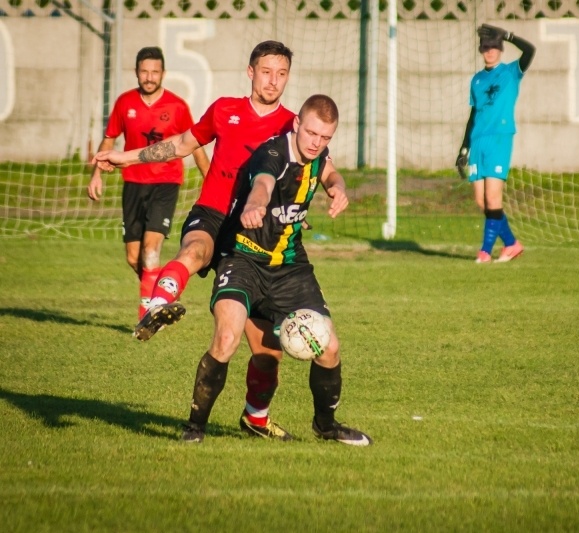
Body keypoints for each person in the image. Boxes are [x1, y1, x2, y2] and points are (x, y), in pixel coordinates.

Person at [180, 94, 372, 447]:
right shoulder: (272, 154)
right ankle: (194, 428)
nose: (316, 143)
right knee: (226, 339)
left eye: (325, 137)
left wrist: (338, 189)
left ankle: (325, 426)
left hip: (290, 268)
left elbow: (331, 173)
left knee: (328, 348)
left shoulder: (319, 154)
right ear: (297, 124)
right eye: (311, 133)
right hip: (243, 260)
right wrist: (255, 206)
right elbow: (262, 184)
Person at [92, 40, 296, 341]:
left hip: (257, 229)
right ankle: (158, 307)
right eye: (266, 71)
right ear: (250, 72)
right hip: (213, 210)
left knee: (258, 349)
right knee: (192, 251)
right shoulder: (225, 109)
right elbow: (180, 145)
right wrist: (126, 157)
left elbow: (318, 169)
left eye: (281, 73)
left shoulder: (292, 125)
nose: (273, 80)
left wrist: (333, 188)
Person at [87, 46, 210, 320]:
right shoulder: (124, 103)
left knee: (151, 250)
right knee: (134, 258)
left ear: (163, 73)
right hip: (133, 183)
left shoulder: (178, 106)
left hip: (166, 183)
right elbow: (109, 139)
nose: (150, 77)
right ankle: (164, 294)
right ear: (136, 72)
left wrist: (210, 180)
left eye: (155, 72)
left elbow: (196, 146)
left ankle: (150, 314)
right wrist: (96, 174)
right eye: (145, 71)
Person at [456, 24, 535, 264]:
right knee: (482, 201)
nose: (489, 51)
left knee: (493, 199)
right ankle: (511, 244)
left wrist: (509, 35)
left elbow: (530, 51)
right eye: (485, 47)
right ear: (481, 50)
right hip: (478, 142)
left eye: (493, 46)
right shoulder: (477, 80)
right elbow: (473, 115)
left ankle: (485, 251)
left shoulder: (511, 72)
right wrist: (464, 149)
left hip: (499, 139)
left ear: (500, 49)